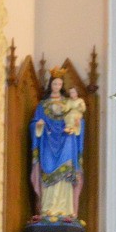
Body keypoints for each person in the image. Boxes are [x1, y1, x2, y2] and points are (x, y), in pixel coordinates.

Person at [29, 73, 85, 224]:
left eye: (60, 84)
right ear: (50, 86)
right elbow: (34, 123)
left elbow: (78, 119)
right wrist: (38, 125)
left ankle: (66, 210)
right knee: (47, 170)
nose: (57, 87)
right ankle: (48, 209)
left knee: (66, 173)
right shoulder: (43, 105)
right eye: (54, 84)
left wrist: (77, 124)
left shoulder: (69, 103)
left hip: (67, 139)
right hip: (48, 141)